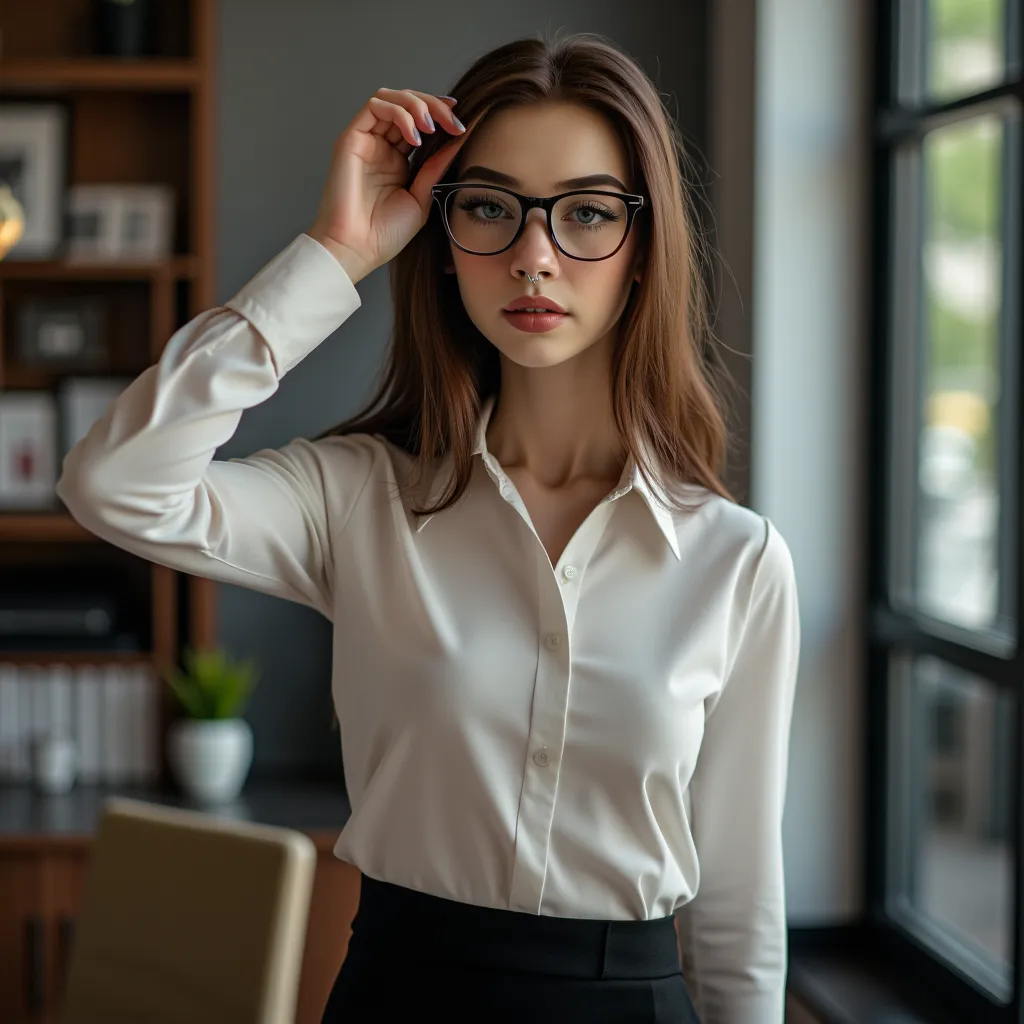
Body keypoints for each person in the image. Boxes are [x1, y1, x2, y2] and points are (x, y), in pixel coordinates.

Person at [56, 28, 801, 1024]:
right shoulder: (358, 499)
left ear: (641, 249)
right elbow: (115, 481)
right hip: (403, 996)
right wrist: (338, 253)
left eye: (585, 213)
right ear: (444, 243)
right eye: (489, 208)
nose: (535, 256)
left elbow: (739, 908)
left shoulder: (736, 562)